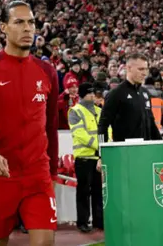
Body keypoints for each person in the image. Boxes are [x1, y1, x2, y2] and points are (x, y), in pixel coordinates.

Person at [0, 1, 59, 246]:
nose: (28, 28)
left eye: (31, 22)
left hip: (36, 174)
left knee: (44, 242)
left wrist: (52, 172)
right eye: (19, 22)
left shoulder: (46, 71)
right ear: (4, 28)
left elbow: (50, 125)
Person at [98, 53, 161, 143]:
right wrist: (101, 151)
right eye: (141, 69)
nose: (144, 73)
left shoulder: (145, 93)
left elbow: (151, 124)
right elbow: (103, 125)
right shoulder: (116, 93)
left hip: (146, 150)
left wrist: (162, 147)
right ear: (129, 68)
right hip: (124, 152)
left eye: (146, 69)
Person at [68, 82, 103, 233]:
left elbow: (106, 129)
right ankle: (82, 222)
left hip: (98, 157)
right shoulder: (74, 111)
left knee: (98, 191)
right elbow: (79, 134)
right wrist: (99, 146)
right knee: (83, 191)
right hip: (83, 158)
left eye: (93, 92)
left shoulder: (99, 110)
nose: (92, 95)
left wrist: (103, 149)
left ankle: (98, 221)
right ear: (82, 94)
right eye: (89, 93)